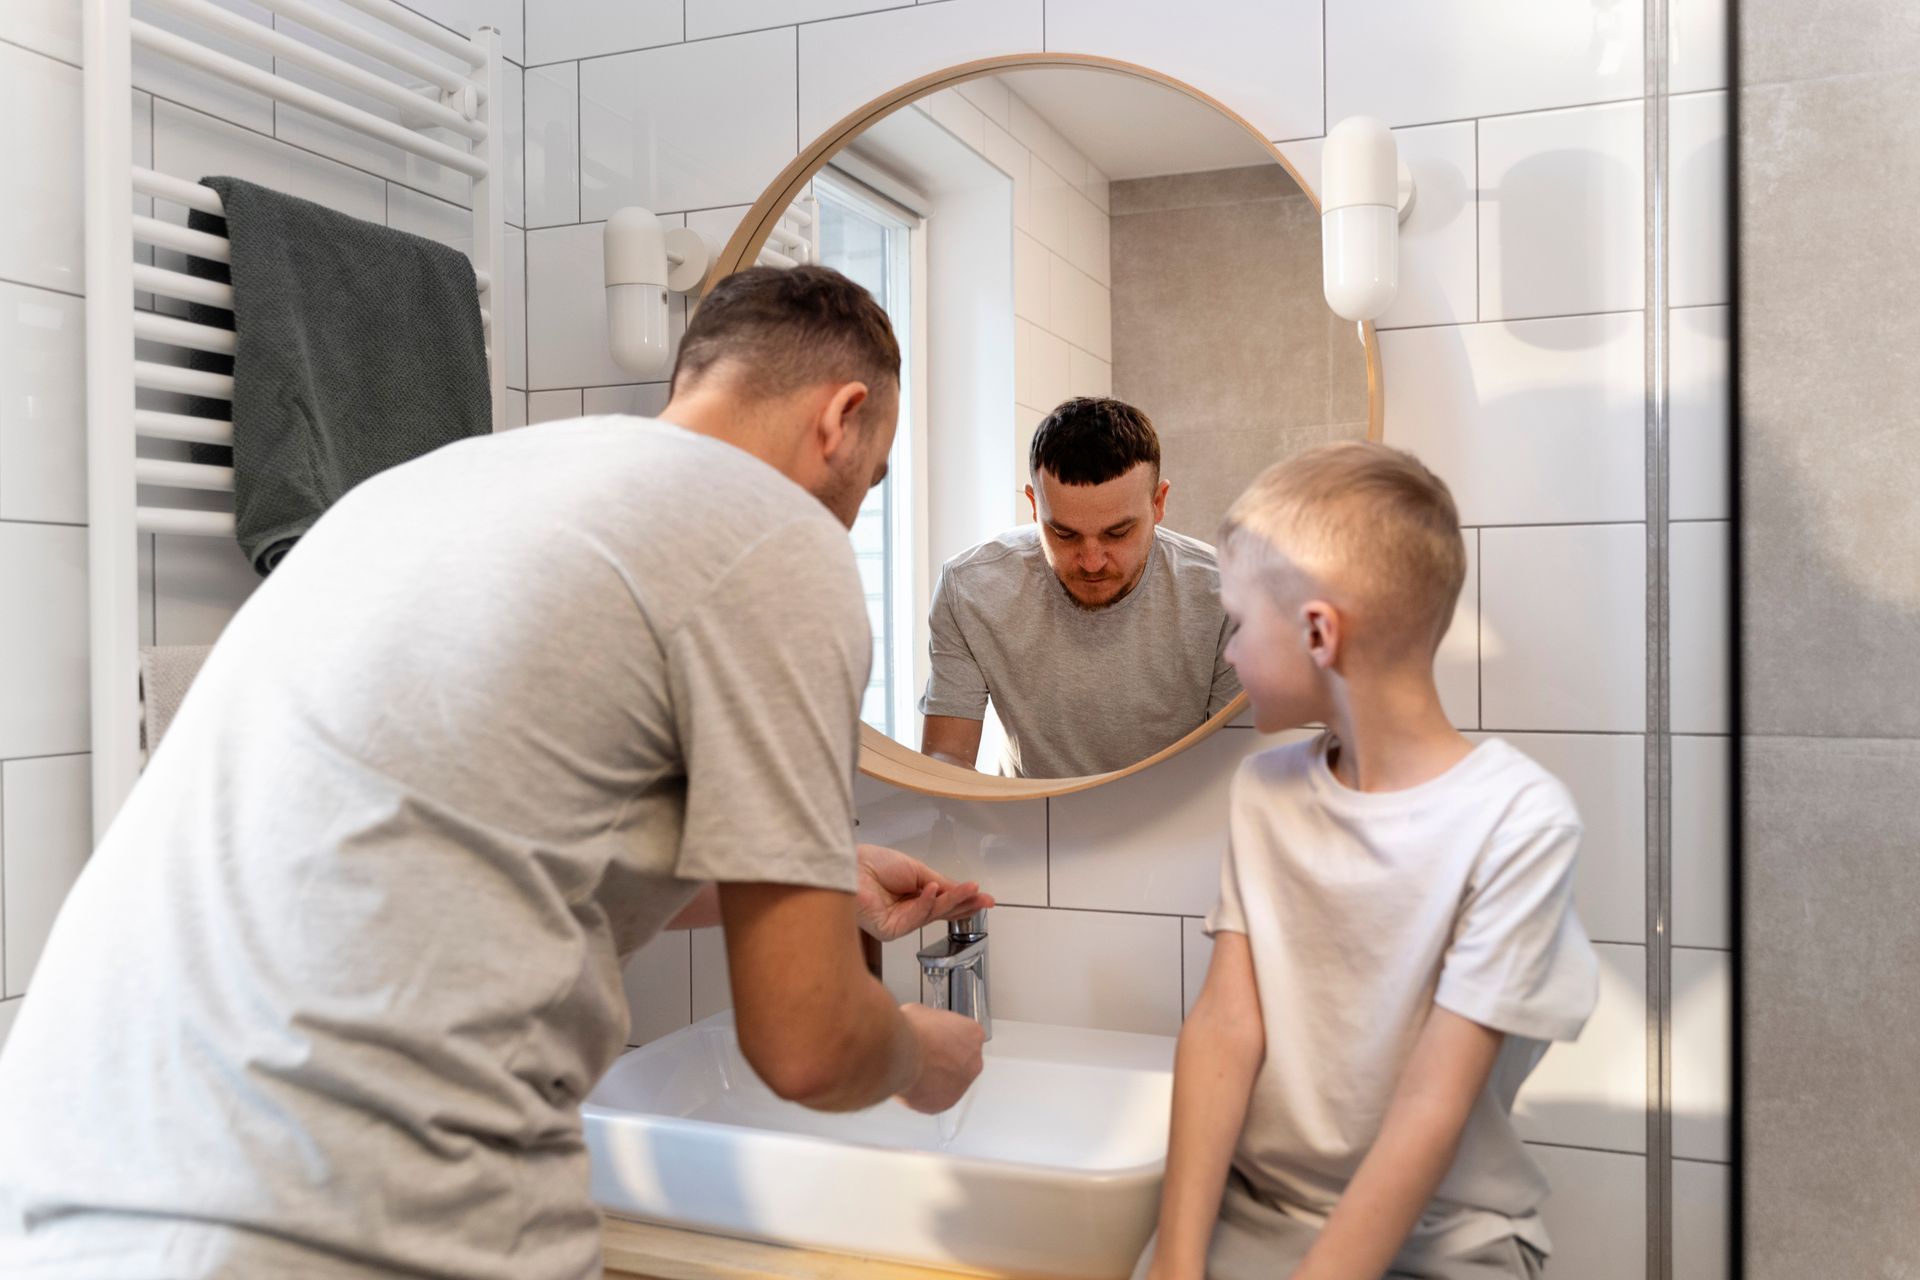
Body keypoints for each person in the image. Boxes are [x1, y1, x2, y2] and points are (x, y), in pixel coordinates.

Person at [0, 266, 993, 1280]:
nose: (850, 516)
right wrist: (920, 1056)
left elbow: (496, 845)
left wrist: (823, 883)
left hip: (66, 1176)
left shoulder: (429, 491)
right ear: (844, 416)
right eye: (869, 486)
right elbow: (812, 1043)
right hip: (355, 1216)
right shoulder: (775, 532)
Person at [1142, 442, 1599, 1280]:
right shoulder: (1263, 792)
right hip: (1261, 1215)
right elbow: (1224, 1029)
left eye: (1239, 623)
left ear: (1318, 632)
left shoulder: (1516, 821)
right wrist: (1175, 1262)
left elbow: (1434, 1101)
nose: (1231, 654)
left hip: (1450, 1238)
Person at [919, 397, 1240, 778]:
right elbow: (946, 759)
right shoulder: (970, 589)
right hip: (1026, 828)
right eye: (1064, 533)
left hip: (1174, 827)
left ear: (1158, 504)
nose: (1091, 561)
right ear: (1034, 505)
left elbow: (1233, 764)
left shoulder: (1229, 595)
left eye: (1117, 532)